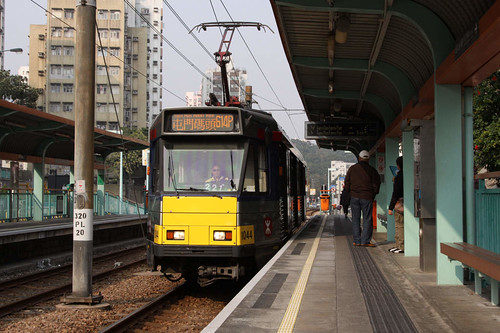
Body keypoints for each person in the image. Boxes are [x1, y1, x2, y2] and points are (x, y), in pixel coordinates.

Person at [345, 150, 381, 247]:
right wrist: (373, 194)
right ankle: (365, 241)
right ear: (368, 159)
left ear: (359, 158)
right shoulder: (372, 170)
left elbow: (347, 182)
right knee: (367, 219)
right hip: (367, 197)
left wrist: (351, 192)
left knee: (355, 219)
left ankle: (357, 240)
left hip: (354, 197)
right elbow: (377, 183)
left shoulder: (352, 169)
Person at [388, 156, 404, 253]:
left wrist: (391, 207)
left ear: (398, 166)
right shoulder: (408, 175)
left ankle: (400, 246)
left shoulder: (398, 177)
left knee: (399, 225)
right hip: (408, 202)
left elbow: (395, 193)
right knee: (400, 225)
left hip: (400, 204)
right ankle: (398, 245)